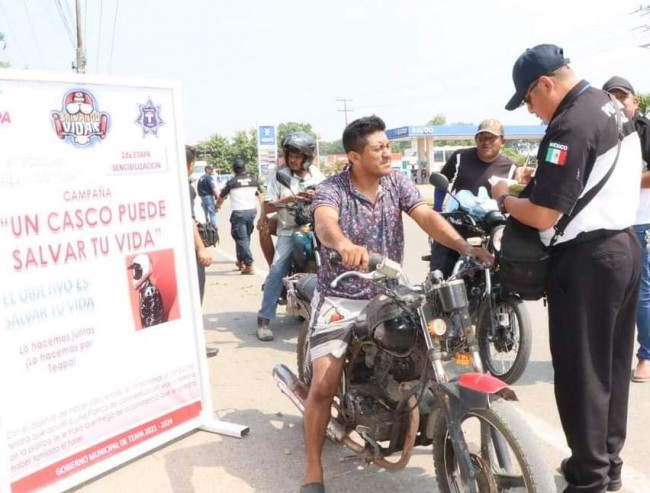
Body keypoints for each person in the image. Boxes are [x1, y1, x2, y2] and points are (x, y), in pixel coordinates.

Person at [300, 115, 493, 493]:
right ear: (354, 156)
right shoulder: (332, 189)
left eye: (388, 145)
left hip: (389, 293)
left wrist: (464, 246)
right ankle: (312, 471)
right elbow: (325, 222)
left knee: (434, 349)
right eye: (378, 148)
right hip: (342, 294)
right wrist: (342, 245)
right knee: (323, 385)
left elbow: (426, 216)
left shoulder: (396, 183)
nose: (388, 152)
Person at [494, 44, 642, 493]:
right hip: (623, 248)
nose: (533, 111)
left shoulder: (571, 124)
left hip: (588, 261)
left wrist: (504, 196)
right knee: (612, 369)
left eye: (529, 100)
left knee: (581, 374)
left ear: (546, 84)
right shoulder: (609, 106)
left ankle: (589, 480)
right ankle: (605, 467)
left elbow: (542, 214)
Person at [602, 76, 650, 384]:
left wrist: (620, 178)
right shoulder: (602, 130)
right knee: (608, 293)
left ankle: (646, 356)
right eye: (612, 97)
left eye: (624, 97)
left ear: (635, 102)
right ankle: (608, 356)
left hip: (641, 221)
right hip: (606, 222)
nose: (619, 102)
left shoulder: (646, 130)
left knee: (642, 292)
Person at [256, 132, 325, 341]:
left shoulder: (318, 176)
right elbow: (267, 206)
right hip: (288, 229)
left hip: (315, 228)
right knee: (277, 268)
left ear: (307, 157)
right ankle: (264, 319)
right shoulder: (279, 175)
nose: (293, 159)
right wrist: (290, 198)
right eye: (290, 155)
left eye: (298, 156)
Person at [430, 118, 517, 276]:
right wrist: (437, 211)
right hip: (455, 224)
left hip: (491, 228)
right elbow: (440, 182)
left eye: (491, 138)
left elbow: (515, 196)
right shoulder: (460, 157)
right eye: (481, 138)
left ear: (502, 141)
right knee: (441, 274)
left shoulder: (511, 167)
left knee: (507, 270)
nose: (485, 142)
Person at [186, 147, 217, 357]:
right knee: (194, 296)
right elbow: (188, 220)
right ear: (189, 166)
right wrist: (201, 248)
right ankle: (194, 344)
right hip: (187, 250)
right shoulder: (181, 187)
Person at [216, 158, 263, 275]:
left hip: (239, 213)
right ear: (245, 167)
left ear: (234, 169)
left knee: (241, 238)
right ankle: (240, 260)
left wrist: (217, 207)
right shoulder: (253, 181)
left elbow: (221, 197)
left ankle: (249, 264)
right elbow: (261, 195)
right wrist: (263, 211)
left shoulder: (231, 183)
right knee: (244, 237)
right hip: (251, 212)